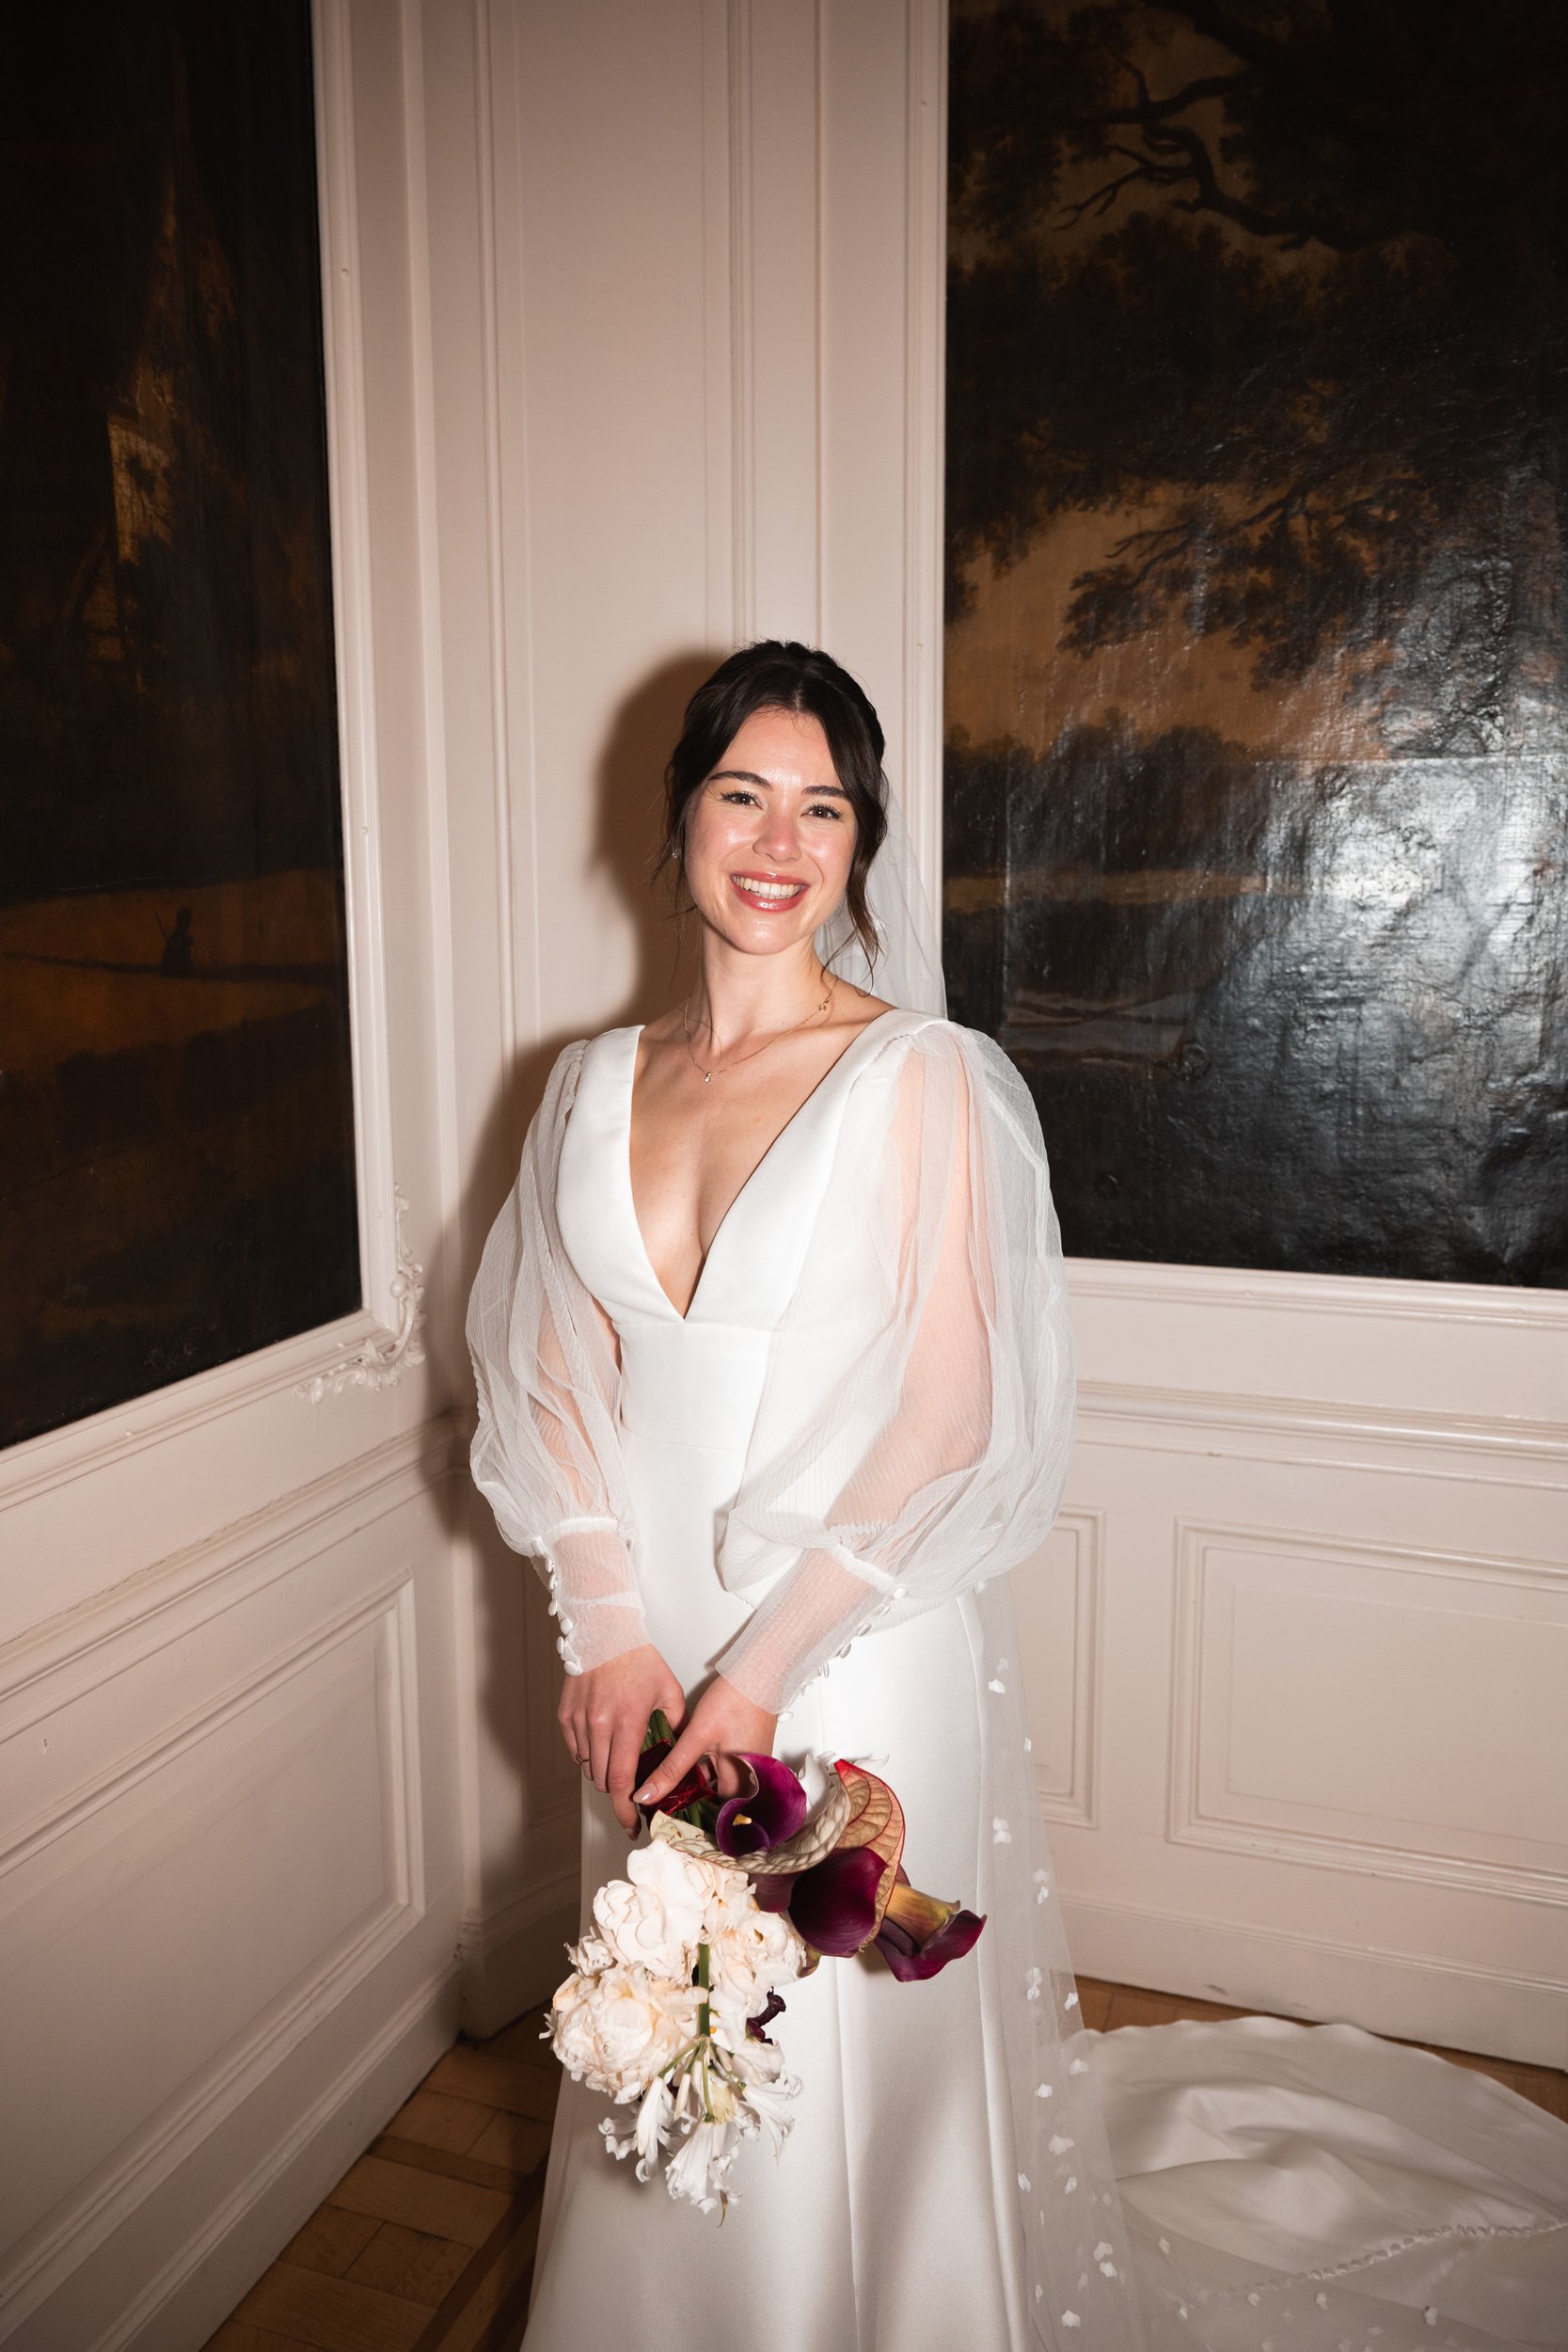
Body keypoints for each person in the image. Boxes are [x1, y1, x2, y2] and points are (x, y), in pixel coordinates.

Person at [467, 644, 1568, 2352]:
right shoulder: (586, 1087)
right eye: (742, 794)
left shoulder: (926, 1076)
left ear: (862, 840)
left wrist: (761, 1672)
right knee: (665, 2031)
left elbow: (951, 1413)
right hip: (649, 1662)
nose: (778, 841)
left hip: (849, 1641)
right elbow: (548, 1376)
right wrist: (609, 1633)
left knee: (836, 2074)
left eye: (822, 807)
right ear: (676, 819)